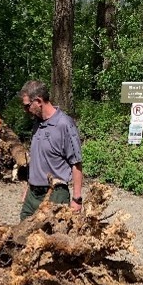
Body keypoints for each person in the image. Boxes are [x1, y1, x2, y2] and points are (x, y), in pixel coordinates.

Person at [19, 80, 83, 220]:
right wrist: (28, 188)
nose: (25, 110)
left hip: (55, 193)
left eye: (27, 106)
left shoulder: (64, 124)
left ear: (38, 101)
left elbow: (76, 163)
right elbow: (36, 159)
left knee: (52, 238)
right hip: (33, 193)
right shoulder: (37, 123)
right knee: (21, 235)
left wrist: (77, 199)